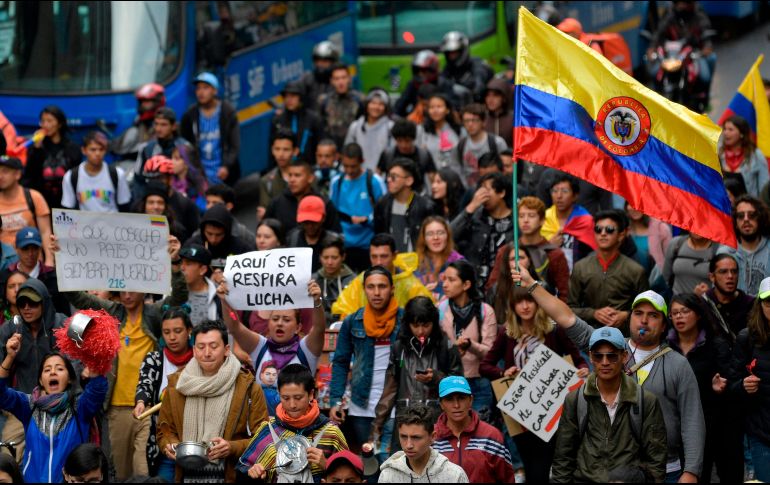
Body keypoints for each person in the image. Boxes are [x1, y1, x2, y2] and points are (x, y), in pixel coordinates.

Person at [531, 266, 706, 482]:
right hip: (611, 471)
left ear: (663, 326)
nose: (644, 321)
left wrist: (691, 471)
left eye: (653, 315)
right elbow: (566, 318)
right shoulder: (609, 348)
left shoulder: (678, 365)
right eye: (638, 313)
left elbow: (692, 419)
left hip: (666, 470)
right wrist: (531, 285)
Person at [52, 234, 186, 480]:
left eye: (132, 288)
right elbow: (79, 298)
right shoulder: (113, 311)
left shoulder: (154, 315)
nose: (127, 294)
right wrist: (61, 258)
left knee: (142, 472)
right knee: (121, 473)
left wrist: (175, 263)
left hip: (148, 407)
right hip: (116, 408)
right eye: (122, 289)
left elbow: (179, 298)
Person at [478, 267, 589, 483]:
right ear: (512, 305)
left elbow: (578, 359)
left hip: (552, 410)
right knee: (530, 466)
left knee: (548, 463)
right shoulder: (506, 333)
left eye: (529, 300)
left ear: (538, 303)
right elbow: (485, 366)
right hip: (520, 413)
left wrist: (583, 369)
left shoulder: (554, 330)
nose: (525, 306)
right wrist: (503, 372)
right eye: (519, 302)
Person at [551, 326, 668, 483]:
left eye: (612, 356)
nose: (605, 362)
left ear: (624, 356)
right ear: (590, 357)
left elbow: (656, 460)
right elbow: (563, 458)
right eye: (598, 356)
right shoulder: (576, 400)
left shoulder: (645, 401)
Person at [157, 319, 269, 482]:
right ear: (194, 350)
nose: (207, 353)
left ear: (226, 350)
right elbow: (164, 430)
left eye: (214, 346)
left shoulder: (247, 387)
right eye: (201, 347)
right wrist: (171, 445)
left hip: (229, 475)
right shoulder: (178, 384)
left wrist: (231, 447)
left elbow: (263, 438)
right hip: (186, 475)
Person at [0, 342, 107, 483]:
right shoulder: (29, 406)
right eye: (47, 369)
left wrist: (93, 353)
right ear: (41, 380)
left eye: (60, 369)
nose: (53, 372)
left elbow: (97, 389)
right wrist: (10, 357)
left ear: (69, 379)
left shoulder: (80, 407)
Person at [667, 293, 743, 483]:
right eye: (674, 313)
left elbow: (732, 383)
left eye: (685, 311)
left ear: (699, 314)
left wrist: (719, 389)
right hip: (681, 427)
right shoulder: (666, 347)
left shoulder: (716, 345)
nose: (679, 316)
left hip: (717, 425)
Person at [370, 297, 462, 451]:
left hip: (436, 423)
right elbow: (390, 389)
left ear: (434, 323)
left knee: (436, 463)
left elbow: (459, 385)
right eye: (415, 325)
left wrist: (436, 378)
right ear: (408, 324)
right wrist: (377, 425)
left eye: (426, 325)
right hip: (405, 421)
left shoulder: (446, 345)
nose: (420, 331)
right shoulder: (399, 348)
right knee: (402, 464)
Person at [330, 266, 404, 453]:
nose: (376, 293)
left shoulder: (405, 320)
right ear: (364, 289)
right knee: (368, 461)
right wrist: (336, 401)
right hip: (362, 406)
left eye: (382, 286)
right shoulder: (352, 322)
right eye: (371, 287)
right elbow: (340, 362)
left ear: (392, 289)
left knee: (389, 460)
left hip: (396, 405)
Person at [240, 364, 348, 482]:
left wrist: (326, 464)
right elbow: (242, 468)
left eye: (298, 397)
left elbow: (349, 476)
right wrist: (253, 472)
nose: (292, 405)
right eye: (285, 398)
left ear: (311, 394)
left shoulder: (331, 433)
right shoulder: (268, 429)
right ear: (279, 394)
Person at [0, 278, 68, 461]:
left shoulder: (62, 325)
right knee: (7, 458)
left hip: (62, 405)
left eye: (33, 303)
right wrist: (9, 355)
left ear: (44, 302)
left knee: (61, 458)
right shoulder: (10, 329)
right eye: (22, 303)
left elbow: (77, 365)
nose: (26, 308)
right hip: (24, 404)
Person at [133, 308, 194, 481]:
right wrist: (141, 402)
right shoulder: (154, 359)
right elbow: (145, 385)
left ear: (189, 331)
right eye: (166, 332)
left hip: (195, 442)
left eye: (178, 331)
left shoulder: (201, 359)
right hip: (164, 444)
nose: (172, 337)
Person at [218, 280, 327, 376]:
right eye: (275, 319)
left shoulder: (306, 349)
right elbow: (235, 326)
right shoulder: (260, 346)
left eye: (286, 320)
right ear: (268, 324)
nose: (279, 323)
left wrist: (317, 301)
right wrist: (225, 301)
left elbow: (319, 328)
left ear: (298, 328)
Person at [568, 210, 649, 331]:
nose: (603, 233)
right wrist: (593, 313)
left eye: (609, 229)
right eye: (598, 229)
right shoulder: (580, 267)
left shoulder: (636, 270)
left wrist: (626, 315)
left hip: (624, 336)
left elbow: (647, 308)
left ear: (621, 235)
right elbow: (569, 308)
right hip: (589, 335)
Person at [438, 261, 496, 418]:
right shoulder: (441, 309)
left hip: (478, 382)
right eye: (444, 279)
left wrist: (470, 345)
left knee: (480, 429)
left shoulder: (485, 311)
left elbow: (490, 354)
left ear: (466, 284)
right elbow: (436, 347)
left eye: (451, 280)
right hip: (450, 382)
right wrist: (453, 348)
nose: (445, 284)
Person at [486, 196, 570, 301]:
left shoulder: (554, 254)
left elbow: (564, 293)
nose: (525, 220)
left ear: (542, 220)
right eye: (521, 216)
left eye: (531, 216)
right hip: (510, 305)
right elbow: (493, 286)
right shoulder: (506, 251)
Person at [331, 234, 433, 320]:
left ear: (394, 255)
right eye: (374, 256)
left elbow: (426, 311)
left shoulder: (409, 284)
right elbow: (342, 309)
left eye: (384, 256)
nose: (378, 262)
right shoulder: (360, 281)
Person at [434, 376, 515, 482]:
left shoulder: (491, 436)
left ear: (471, 400)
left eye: (461, 398)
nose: (456, 405)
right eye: (449, 399)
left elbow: (507, 479)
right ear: (441, 404)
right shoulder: (431, 437)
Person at [730, 276, 770, 483]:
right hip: (761, 434)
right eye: (768, 302)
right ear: (760, 305)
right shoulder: (747, 338)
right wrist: (743, 385)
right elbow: (733, 384)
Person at [377, 403, 469, 483]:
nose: (409, 445)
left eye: (416, 437)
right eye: (403, 437)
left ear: (433, 437)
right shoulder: (388, 476)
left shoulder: (454, 475)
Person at [451, 172, 513, 290]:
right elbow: (449, 235)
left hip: (504, 285)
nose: (482, 195)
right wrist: (471, 206)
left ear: (501, 193)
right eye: (480, 190)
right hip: (474, 284)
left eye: (486, 190)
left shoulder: (515, 221)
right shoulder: (475, 217)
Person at [330, 143, 386, 273]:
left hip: (369, 246)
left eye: (353, 166)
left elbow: (384, 210)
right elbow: (333, 212)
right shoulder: (337, 182)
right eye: (345, 166)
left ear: (362, 161)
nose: (349, 170)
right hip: (344, 246)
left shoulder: (374, 181)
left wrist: (367, 219)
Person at [180, 72, 241, 186]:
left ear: (215, 91)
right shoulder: (190, 115)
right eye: (198, 88)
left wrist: (226, 166)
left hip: (222, 173)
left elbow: (234, 145)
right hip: (200, 174)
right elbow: (185, 144)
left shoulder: (227, 112)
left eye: (205, 88)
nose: (201, 92)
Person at [374, 158, 440, 254]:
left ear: (409, 181)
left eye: (394, 177)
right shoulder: (382, 204)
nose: (388, 180)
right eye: (388, 176)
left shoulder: (426, 207)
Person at [23, 105, 81, 210]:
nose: (45, 125)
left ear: (60, 123)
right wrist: (37, 149)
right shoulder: (35, 147)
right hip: (41, 202)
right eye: (43, 121)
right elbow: (30, 174)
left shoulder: (72, 148)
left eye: (50, 121)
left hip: (66, 202)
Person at [0, 156, 53, 266]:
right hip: (5, 264)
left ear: (17, 174)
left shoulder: (34, 197)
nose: (0, 176)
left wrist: (49, 260)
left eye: (5, 171)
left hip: (33, 262)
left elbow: (45, 232)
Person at [264, 158, 341, 234]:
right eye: (290, 175)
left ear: (310, 178)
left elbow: (335, 235)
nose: (292, 180)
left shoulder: (324, 204)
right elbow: (265, 229)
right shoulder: (277, 203)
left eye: (297, 175)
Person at [3, 226, 67, 316]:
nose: (30, 253)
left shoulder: (53, 277)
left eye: (35, 248)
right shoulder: (5, 276)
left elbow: (63, 311)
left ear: (40, 248)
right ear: (16, 248)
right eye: (25, 248)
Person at [61, 131, 132, 212]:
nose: (97, 153)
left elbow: (124, 206)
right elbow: (68, 208)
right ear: (84, 150)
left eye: (101, 149)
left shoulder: (117, 174)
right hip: (84, 220)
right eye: (93, 150)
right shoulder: (71, 176)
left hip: (112, 219)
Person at [540, 174, 597, 272]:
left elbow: (594, 252)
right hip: (549, 276)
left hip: (578, 275)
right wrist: (549, 245)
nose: (559, 196)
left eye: (565, 191)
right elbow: (533, 252)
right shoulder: (543, 219)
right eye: (555, 191)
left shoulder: (585, 221)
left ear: (575, 196)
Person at [134, 107, 190, 203]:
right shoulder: (147, 148)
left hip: (179, 199)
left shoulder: (185, 148)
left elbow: (194, 178)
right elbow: (138, 179)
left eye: (164, 124)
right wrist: (141, 203)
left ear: (174, 126)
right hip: (154, 201)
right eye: (156, 124)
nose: (158, 129)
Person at [717, 194, 770, 295]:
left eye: (752, 215)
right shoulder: (725, 253)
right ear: (735, 222)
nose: (746, 219)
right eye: (741, 216)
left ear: (760, 218)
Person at [142, 153, 201, 241]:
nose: (154, 182)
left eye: (159, 178)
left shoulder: (186, 204)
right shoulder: (141, 202)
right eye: (150, 179)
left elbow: (195, 235)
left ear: (170, 179)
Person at [109, 83, 166, 163]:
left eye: (147, 101)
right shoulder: (139, 121)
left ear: (157, 102)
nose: (143, 105)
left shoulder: (164, 122)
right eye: (142, 102)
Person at [270, 80, 323, 164]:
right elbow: (272, 147)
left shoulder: (313, 119)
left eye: (293, 96)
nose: (289, 100)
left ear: (301, 98)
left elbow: (320, 144)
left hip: (308, 165)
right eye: (286, 96)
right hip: (284, 166)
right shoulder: (278, 120)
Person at [377, 119, 436, 194]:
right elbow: (377, 176)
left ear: (413, 139)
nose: (403, 145)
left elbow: (433, 179)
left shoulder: (423, 155)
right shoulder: (387, 154)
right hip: (392, 196)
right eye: (399, 141)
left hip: (417, 196)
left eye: (407, 141)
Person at [455, 103, 507, 187]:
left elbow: (506, 168)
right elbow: (458, 169)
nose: (470, 124)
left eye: (474, 120)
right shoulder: (461, 144)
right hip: (469, 189)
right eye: (466, 121)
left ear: (483, 122)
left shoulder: (497, 142)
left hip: (493, 188)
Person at [285, 195, 342, 272]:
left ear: (323, 218)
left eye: (314, 222)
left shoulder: (334, 241)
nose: (310, 226)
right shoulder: (293, 238)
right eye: (306, 222)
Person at [414, 216, 464, 302]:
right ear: (424, 238)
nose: (436, 237)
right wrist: (422, 293)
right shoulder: (414, 262)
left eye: (440, 233)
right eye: (430, 234)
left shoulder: (459, 262)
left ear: (447, 236)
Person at [344, 89, 394, 172]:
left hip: (381, 173)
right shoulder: (355, 126)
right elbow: (347, 151)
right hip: (358, 173)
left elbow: (392, 152)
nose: (376, 107)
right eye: (373, 103)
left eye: (381, 104)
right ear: (367, 105)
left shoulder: (390, 127)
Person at [705, 253, 755, 336]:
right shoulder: (704, 303)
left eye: (734, 271)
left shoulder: (751, 305)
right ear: (712, 277)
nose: (730, 276)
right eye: (723, 272)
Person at [194, 184, 256, 249]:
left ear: (229, 206)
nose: (209, 207)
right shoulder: (199, 233)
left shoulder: (242, 234)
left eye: (215, 203)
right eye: (208, 202)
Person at [312, 237, 356, 325]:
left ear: (343, 257)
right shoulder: (313, 280)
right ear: (320, 257)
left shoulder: (354, 281)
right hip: (319, 326)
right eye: (325, 257)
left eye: (334, 258)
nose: (330, 262)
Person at [318, 64, 364, 149]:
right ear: (331, 81)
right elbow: (321, 127)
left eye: (343, 77)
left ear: (349, 79)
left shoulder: (360, 100)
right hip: (332, 149)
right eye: (337, 79)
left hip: (354, 148)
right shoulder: (324, 101)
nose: (340, 82)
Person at [185, 204, 252, 261]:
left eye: (219, 235)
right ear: (203, 230)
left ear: (226, 232)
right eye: (209, 234)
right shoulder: (192, 246)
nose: (213, 239)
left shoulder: (241, 249)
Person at [439, 31, 493, 101]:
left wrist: (477, 86)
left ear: (463, 51)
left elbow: (480, 78)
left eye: (455, 52)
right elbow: (441, 82)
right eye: (449, 53)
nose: (451, 56)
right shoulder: (448, 68)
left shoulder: (476, 63)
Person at [417, 94, 464, 172]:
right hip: (431, 175)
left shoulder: (458, 130)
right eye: (431, 107)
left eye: (439, 106)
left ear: (447, 110)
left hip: (455, 174)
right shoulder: (422, 130)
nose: (435, 110)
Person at [663, 231, 718, 296]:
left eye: (701, 225)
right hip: (677, 300)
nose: (697, 228)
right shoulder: (676, 243)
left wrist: (708, 294)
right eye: (694, 225)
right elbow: (666, 276)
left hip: (705, 300)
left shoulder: (718, 249)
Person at [258, 130, 298, 220]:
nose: (281, 154)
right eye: (277, 149)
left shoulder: (306, 177)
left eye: (286, 149)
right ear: (272, 150)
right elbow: (265, 215)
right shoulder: (266, 181)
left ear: (295, 151)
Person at [625, 201, 672, 276]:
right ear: (626, 207)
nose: (635, 208)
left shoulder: (661, 228)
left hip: (655, 278)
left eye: (639, 204)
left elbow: (669, 258)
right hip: (629, 277)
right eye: (631, 204)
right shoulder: (623, 230)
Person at [178, 244, 219, 326]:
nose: (182, 268)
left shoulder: (218, 295)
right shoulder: (172, 291)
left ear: (202, 270)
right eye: (181, 262)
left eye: (188, 264)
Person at [300, 40, 341, 111]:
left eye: (325, 61)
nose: (320, 64)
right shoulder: (307, 79)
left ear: (333, 62)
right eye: (317, 60)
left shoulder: (339, 80)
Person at [170, 142, 208, 213]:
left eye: (176, 159)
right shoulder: (170, 182)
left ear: (187, 162)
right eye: (171, 158)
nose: (171, 161)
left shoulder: (199, 183)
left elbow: (204, 208)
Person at [483, 78, 513, 148]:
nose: (490, 99)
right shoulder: (482, 118)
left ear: (504, 98)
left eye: (495, 95)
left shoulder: (514, 119)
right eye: (488, 95)